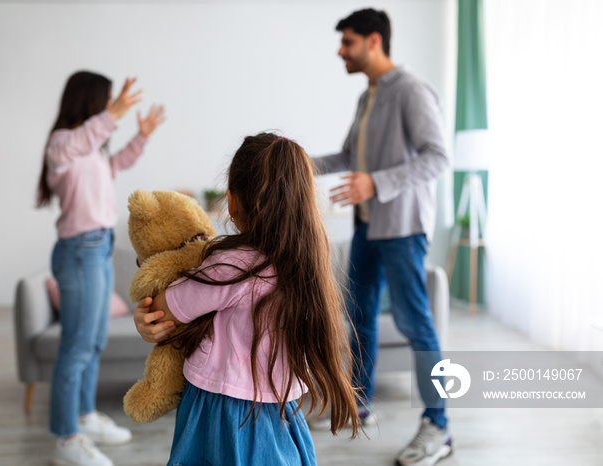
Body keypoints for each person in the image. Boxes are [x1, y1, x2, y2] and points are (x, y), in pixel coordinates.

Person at [134, 133, 361, 465]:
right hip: (281, 413)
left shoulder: (233, 265)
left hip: (224, 415)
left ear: (231, 200)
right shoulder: (309, 258)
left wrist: (146, 311)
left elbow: (163, 309)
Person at [313, 8, 452, 466]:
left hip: (403, 230)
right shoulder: (368, 96)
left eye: (347, 42)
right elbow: (349, 155)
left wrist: (376, 182)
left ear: (374, 41)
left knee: (416, 324)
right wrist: (293, 160)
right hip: (368, 227)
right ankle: (361, 403)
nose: (340, 51)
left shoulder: (411, 91)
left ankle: (439, 427)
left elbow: (437, 157)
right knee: (360, 317)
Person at [35, 70, 165, 466]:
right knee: (75, 350)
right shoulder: (62, 145)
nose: (112, 108)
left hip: (99, 248)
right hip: (80, 251)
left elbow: (115, 164)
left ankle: (85, 417)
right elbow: (82, 139)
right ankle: (66, 440)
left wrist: (140, 135)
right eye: (106, 101)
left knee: (92, 345)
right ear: (91, 102)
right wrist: (115, 112)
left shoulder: (90, 151)